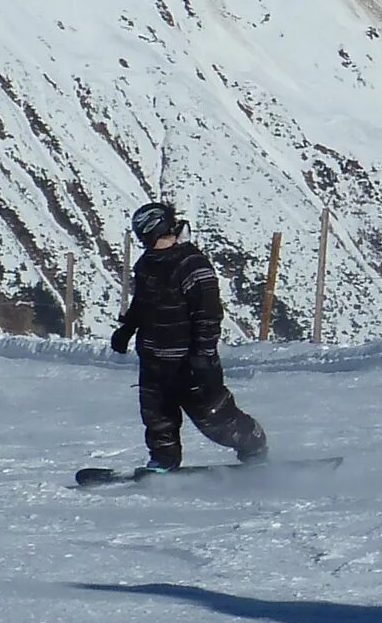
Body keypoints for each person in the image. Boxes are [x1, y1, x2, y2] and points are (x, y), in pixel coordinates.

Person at [110, 200, 267, 469]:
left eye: (148, 237)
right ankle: (163, 461)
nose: (146, 244)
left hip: (189, 362)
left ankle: (254, 445)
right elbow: (143, 303)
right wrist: (127, 328)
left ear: (159, 232)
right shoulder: (147, 264)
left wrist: (203, 356)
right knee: (157, 418)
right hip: (154, 359)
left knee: (214, 419)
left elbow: (208, 314)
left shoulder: (192, 265)